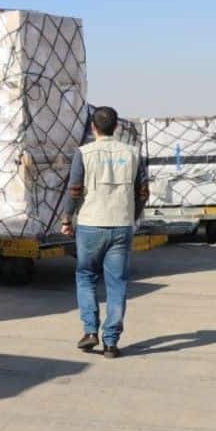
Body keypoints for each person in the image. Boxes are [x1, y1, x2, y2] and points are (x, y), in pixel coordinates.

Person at [60, 106, 148, 359]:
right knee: (117, 283)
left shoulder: (84, 153)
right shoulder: (132, 153)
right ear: (116, 127)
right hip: (121, 225)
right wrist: (132, 214)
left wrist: (67, 218)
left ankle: (90, 331)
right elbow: (143, 192)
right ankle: (111, 341)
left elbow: (74, 189)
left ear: (92, 128)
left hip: (90, 224)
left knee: (86, 276)